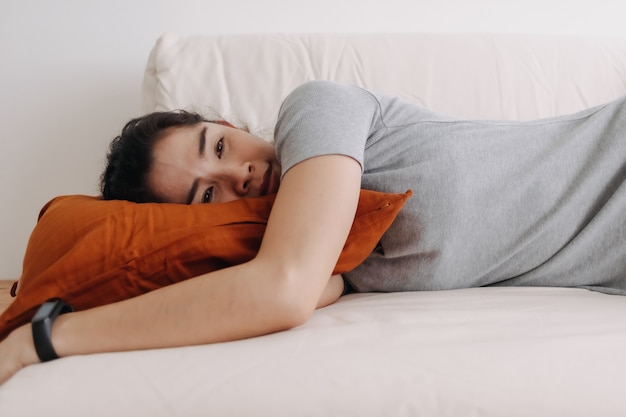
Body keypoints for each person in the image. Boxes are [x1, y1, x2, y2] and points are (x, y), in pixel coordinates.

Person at [1, 80, 625, 384]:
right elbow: (274, 286)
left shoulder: (317, 110)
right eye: (208, 194)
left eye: (218, 144)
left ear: (227, 121)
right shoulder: (325, 254)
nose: (238, 172)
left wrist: (41, 342)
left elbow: (282, 290)